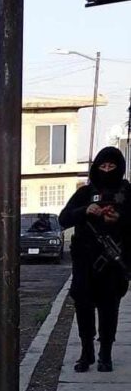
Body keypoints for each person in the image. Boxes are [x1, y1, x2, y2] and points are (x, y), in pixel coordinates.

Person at [59, 146, 131, 373]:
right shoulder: (84, 193)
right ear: (95, 167)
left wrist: (119, 219)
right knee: (83, 307)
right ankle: (86, 352)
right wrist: (85, 210)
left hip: (114, 262)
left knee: (109, 309)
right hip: (85, 263)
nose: (107, 170)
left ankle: (105, 355)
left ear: (119, 168)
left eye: (112, 166)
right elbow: (63, 219)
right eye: (103, 166)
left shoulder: (127, 193)